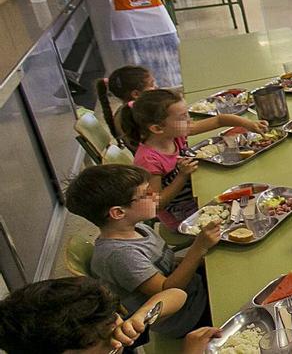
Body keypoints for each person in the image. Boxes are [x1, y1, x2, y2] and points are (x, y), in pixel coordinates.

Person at [65, 164, 222, 339]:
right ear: (118, 212)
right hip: (187, 316)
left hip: (192, 289)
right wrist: (198, 248)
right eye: (145, 194)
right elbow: (168, 290)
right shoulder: (121, 256)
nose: (155, 196)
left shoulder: (136, 227)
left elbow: (166, 262)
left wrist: (201, 259)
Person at [120, 89, 266, 231]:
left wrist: (249, 124)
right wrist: (182, 176)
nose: (189, 120)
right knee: (248, 207)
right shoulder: (148, 160)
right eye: (183, 117)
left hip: (195, 193)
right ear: (157, 128)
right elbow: (155, 204)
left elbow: (219, 120)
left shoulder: (174, 133)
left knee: (250, 189)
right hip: (182, 214)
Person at [0, 276, 218, 354]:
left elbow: (176, 295)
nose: (119, 327)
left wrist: (141, 316)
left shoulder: (110, 337)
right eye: (108, 333)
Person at [97, 65, 156, 145]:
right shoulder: (139, 115)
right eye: (152, 85)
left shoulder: (125, 110)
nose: (156, 87)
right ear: (135, 94)